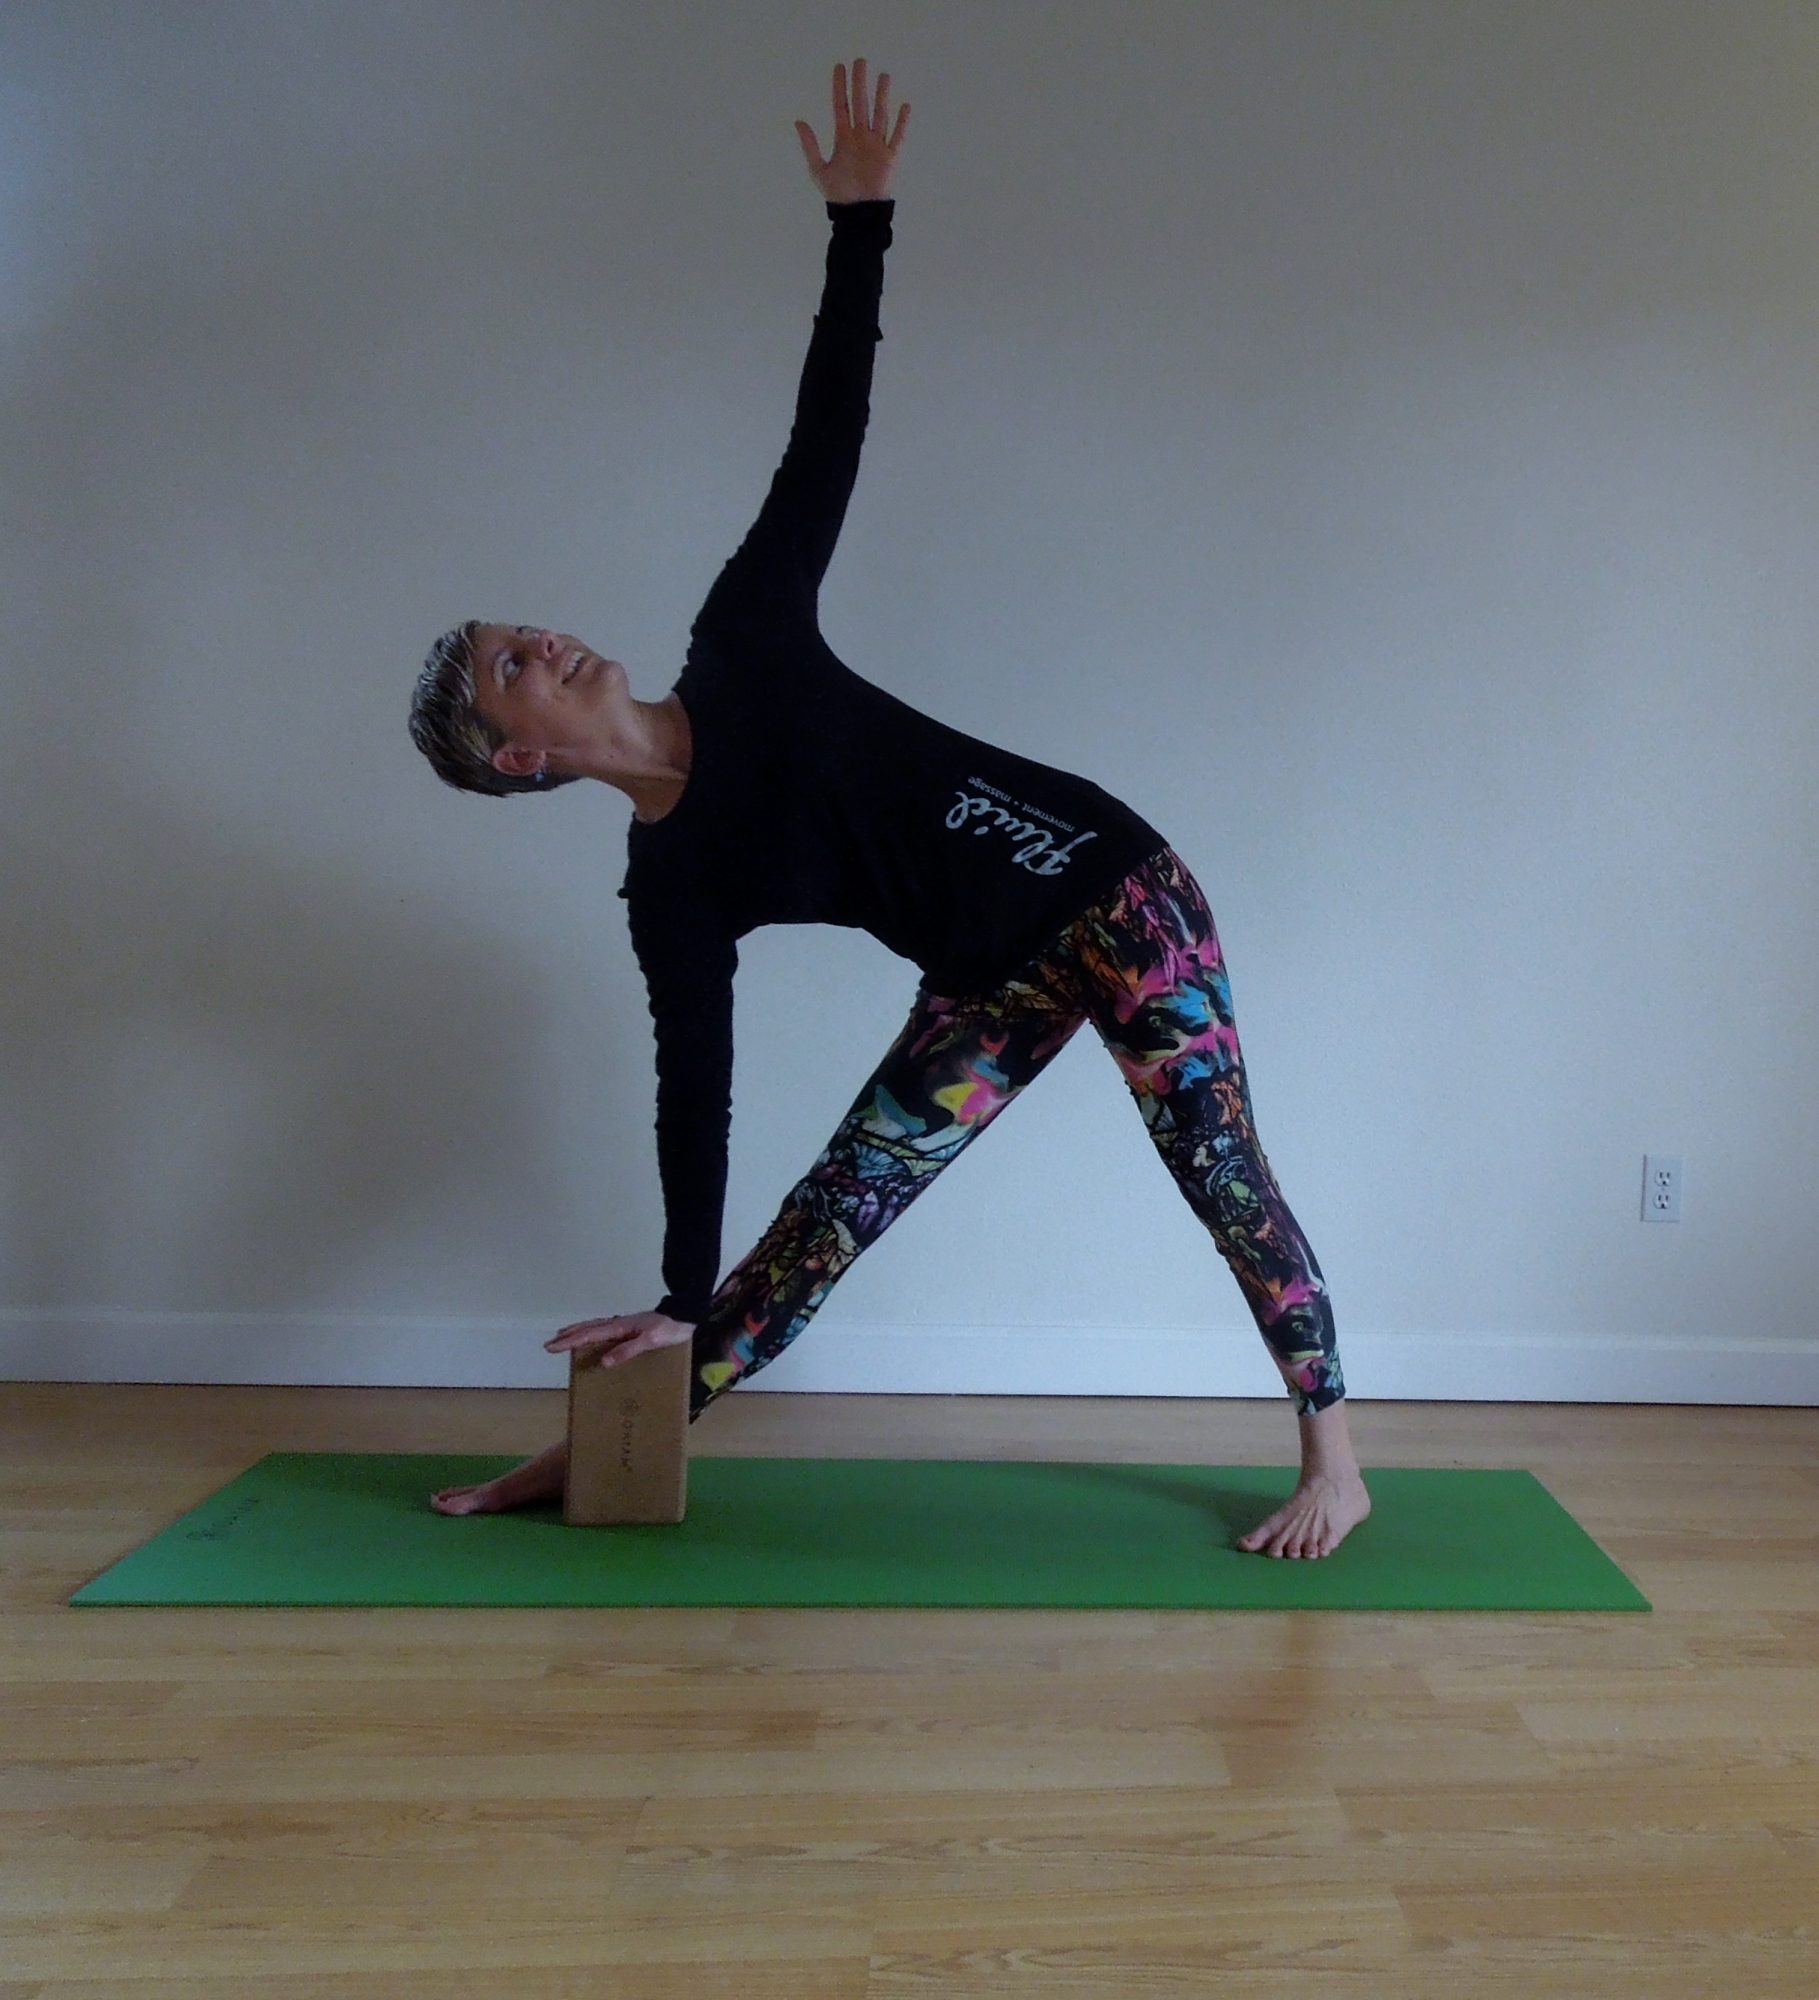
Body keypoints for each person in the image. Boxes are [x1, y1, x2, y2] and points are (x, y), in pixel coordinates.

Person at [406, 59, 1370, 1558]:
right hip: (987, 979)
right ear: (518, 758)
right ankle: (610, 1445)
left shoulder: (742, 639)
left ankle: (1335, 1463)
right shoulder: (670, 887)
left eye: (523, 628)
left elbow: (825, 439)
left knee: (1215, 1164)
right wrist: (678, 1294)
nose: (546, 639)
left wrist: (861, 226)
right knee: (826, 1219)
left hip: (1110, 889)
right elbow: (694, 1093)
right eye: (511, 666)